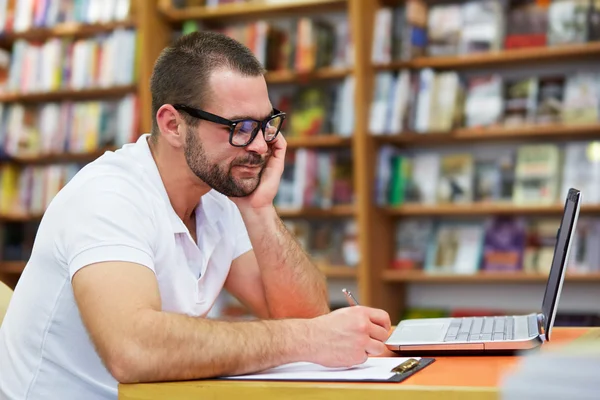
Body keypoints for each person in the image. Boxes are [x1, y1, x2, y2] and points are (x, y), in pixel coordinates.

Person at [0, 31, 391, 400]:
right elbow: (133, 349)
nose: (259, 146)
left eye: (266, 125)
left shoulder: (217, 194)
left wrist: (260, 210)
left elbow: (306, 318)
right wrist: (306, 340)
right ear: (173, 125)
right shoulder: (108, 197)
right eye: (240, 127)